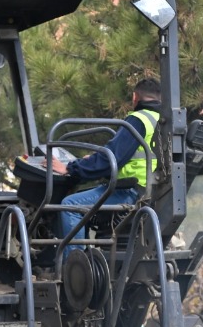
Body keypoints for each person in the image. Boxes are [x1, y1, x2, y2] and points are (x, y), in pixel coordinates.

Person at [52, 78, 163, 255]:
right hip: (150, 192)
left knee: (70, 205)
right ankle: (87, 261)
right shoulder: (162, 120)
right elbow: (125, 159)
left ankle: (73, 268)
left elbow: (111, 159)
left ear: (135, 97)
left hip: (130, 193)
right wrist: (91, 162)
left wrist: (70, 169)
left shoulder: (138, 120)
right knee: (87, 204)